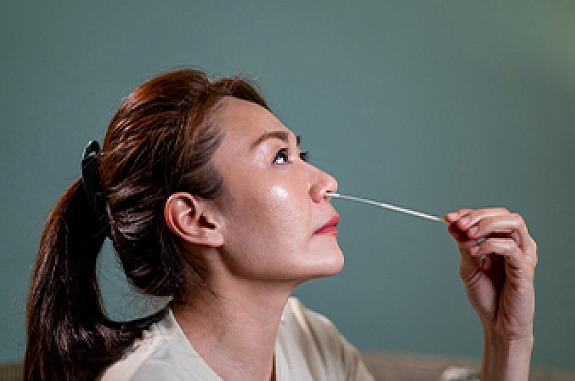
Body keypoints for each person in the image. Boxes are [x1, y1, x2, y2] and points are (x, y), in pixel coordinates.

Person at [25, 68, 538, 381]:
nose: (327, 182)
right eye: (279, 158)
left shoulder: (305, 337)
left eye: (301, 152)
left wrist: (506, 338)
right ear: (197, 218)